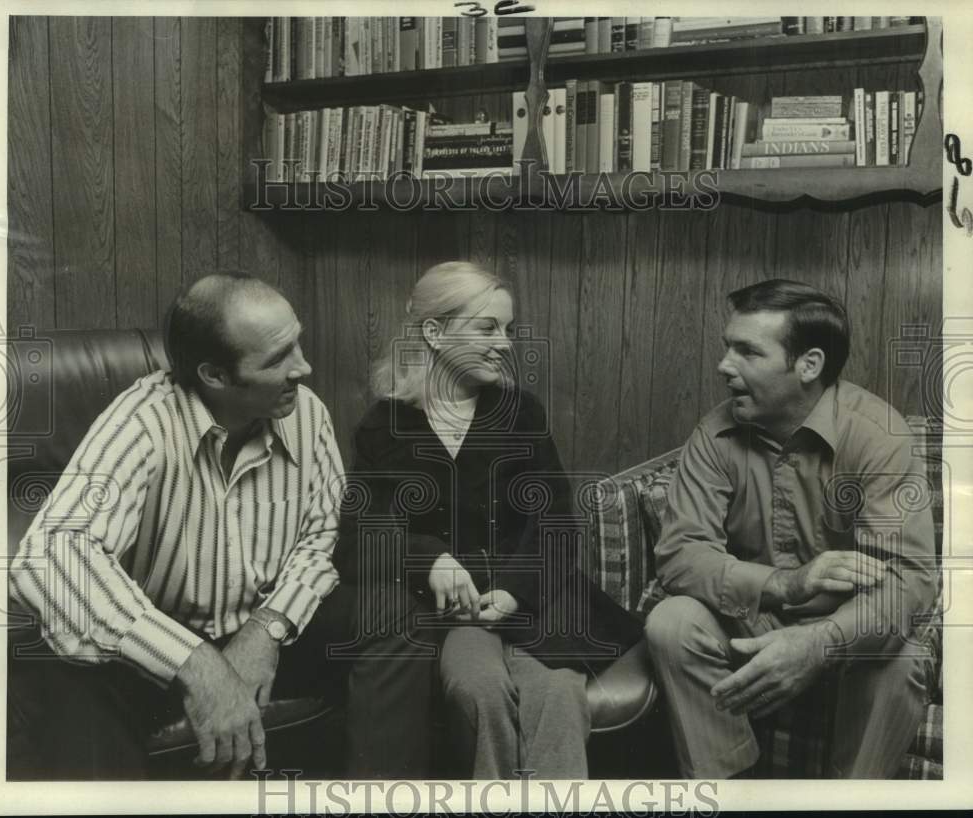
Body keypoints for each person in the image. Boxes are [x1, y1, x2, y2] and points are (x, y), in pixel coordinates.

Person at [7, 273, 434, 780]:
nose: (304, 366)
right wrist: (195, 664)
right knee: (58, 671)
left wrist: (268, 628)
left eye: (296, 342)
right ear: (214, 375)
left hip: (256, 619)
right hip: (154, 640)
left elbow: (320, 535)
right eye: (278, 359)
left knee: (388, 613)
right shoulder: (142, 421)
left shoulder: (306, 414)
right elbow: (50, 556)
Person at [333, 261, 649, 779]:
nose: (503, 343)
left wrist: (513, 593)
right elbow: (358, 538)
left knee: (556, 695)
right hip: (455, 616)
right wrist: (429, 558)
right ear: (434, 333)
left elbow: (556, 524)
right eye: (487, 328)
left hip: (541, 601)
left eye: (508, 329)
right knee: (476, 689)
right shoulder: (383, 426)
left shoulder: (520, 411)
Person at [644, 278, 936, 779]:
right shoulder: (714, 435)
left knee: (901, 659)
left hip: (848, 630)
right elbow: (681, 554)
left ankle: (848, 804)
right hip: (757, 617)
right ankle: (735, 792)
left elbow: (908, 584)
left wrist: (820, 642)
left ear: (809, 365)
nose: (724, 366)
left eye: (747, 352)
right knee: (672, 621)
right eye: (726, 347)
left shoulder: (879, 437)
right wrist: (786, 583)